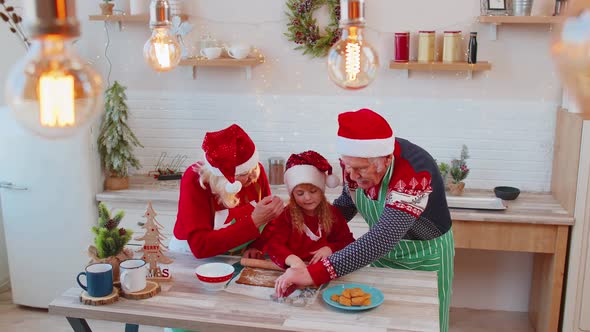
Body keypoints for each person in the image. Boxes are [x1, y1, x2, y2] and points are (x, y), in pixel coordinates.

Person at [275, 109, 454, 332]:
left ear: (386, 160)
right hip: (382, 257)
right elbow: (348, 203)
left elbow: (383, 238)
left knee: (420, 324)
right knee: (380, 322)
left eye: (359, 169)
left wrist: (314, 273)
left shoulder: (415, 170)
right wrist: (311, 229)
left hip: (424, 257)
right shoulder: (354, 160)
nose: (350, 175)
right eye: (347, 166)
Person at [172, 124, 284, 259]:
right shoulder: (195, 179)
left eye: (254, 167)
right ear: (223, 177)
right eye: (244, 174)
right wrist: (254, 221)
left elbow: (268, 220)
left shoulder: (255, 172)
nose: (254, 176)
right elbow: (200, 246)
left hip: (238, 252)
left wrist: (257, 245)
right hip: (193, 256)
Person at [263, 150, 355, 269]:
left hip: (325, 270)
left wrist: (331, 249)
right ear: (293, 195)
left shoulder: (333, 213)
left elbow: (347, 242)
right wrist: (292, 259)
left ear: (321, 191)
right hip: (295, 270)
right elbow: (274, 245)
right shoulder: (286, 216)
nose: (307, 198)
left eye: (313, 191)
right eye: (300, 193)